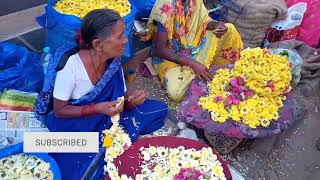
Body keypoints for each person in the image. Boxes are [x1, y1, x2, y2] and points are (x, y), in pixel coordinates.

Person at [37, 9, 168, 179]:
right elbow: (60, 111)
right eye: (120, 36)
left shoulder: (112, 59)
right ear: (98, 45)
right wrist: (97, 108)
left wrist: (130, 102)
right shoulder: (71, 66)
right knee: (79, 169)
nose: (127, 40)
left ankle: (105, 145)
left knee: (159, 109)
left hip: (105, 115)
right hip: (76, 123)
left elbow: (118, 97)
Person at [147, 0, 243, 102]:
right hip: (169, 55)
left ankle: (221, 69)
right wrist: (192, 63)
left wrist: (216, 25)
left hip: (192, 45)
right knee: (177, 93)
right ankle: (203, 68)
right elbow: (160, 50)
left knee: (229, 29)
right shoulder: (165, 5)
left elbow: (204, 21)